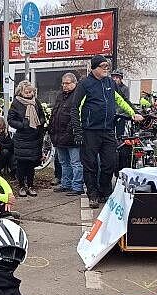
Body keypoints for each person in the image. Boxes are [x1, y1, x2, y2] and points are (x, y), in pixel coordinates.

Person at [70, 55, 143, 209]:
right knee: (90, 165)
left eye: (107, 66)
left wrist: (132, 113)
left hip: (108, 130)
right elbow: (74, 108)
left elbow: (120, 100)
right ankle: (93, 194)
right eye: (103, 66)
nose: (106, 69)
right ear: (94, 68)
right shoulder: (85, 84)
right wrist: (78, 131)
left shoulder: (110, 82)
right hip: (89, 131)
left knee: (109, 163)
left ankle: (105, 191)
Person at [8, 80, 46, 197]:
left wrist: (41, 123)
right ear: (21, 92)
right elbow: (10, 120)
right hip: (22, 138)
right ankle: (21, 186)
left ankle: (30, 185)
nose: (29, 93)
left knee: (31, 164)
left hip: (35, 137)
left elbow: (42, 115)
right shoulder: (16, 103)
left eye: (31, 91)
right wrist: (22, 125)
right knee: (21, 164)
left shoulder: (36, 102)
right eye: (27, 91)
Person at [50, 73, 83, 195]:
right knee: (64, 163)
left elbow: (75, 116)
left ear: (74, 83)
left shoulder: (78, 95)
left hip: (71, 135)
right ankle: (66, 184)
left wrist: (71, 131)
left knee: (75, 163)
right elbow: (55, 113)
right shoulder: (60, 96)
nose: (65, 85)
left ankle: (77, 186)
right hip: (59, 135)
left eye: (67, 83)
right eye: (63, 83)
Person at [111, 70, 131, 139]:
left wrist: (117, 112)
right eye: (113, 77)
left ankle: (120, 147)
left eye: (117, 77)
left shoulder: (125, 89)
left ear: (120, 78)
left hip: (120, 115)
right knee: (110, 134)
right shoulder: (110, 87)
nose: (115, 79)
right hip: (111, 115)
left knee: (120, 135)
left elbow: (125, 102)